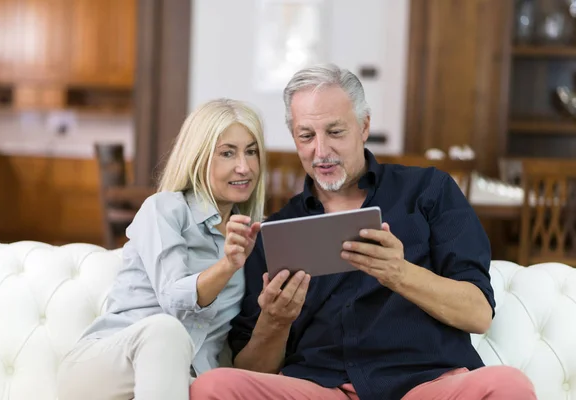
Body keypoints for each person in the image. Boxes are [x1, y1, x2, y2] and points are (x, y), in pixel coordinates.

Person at [189, 65, 536, 400]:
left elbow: (478, 314)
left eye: (335, 132)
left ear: (364, 126)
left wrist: (400, 274)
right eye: (306, 136)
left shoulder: (429, 191)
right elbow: (251, 368)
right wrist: (275, 322)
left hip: (425, 385)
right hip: (321, 388)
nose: (320, 151)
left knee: (509, 386)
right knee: (212, 387)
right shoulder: (274, 232)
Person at [57, 98, 267, 400]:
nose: (244, 167)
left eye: (251, 151)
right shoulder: (164, 209)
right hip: (104, 369)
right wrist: (227, 265)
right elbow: (174, 300)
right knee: (166, 331)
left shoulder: (254, 237)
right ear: (199, 157)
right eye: (227, 153)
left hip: (178, 382)